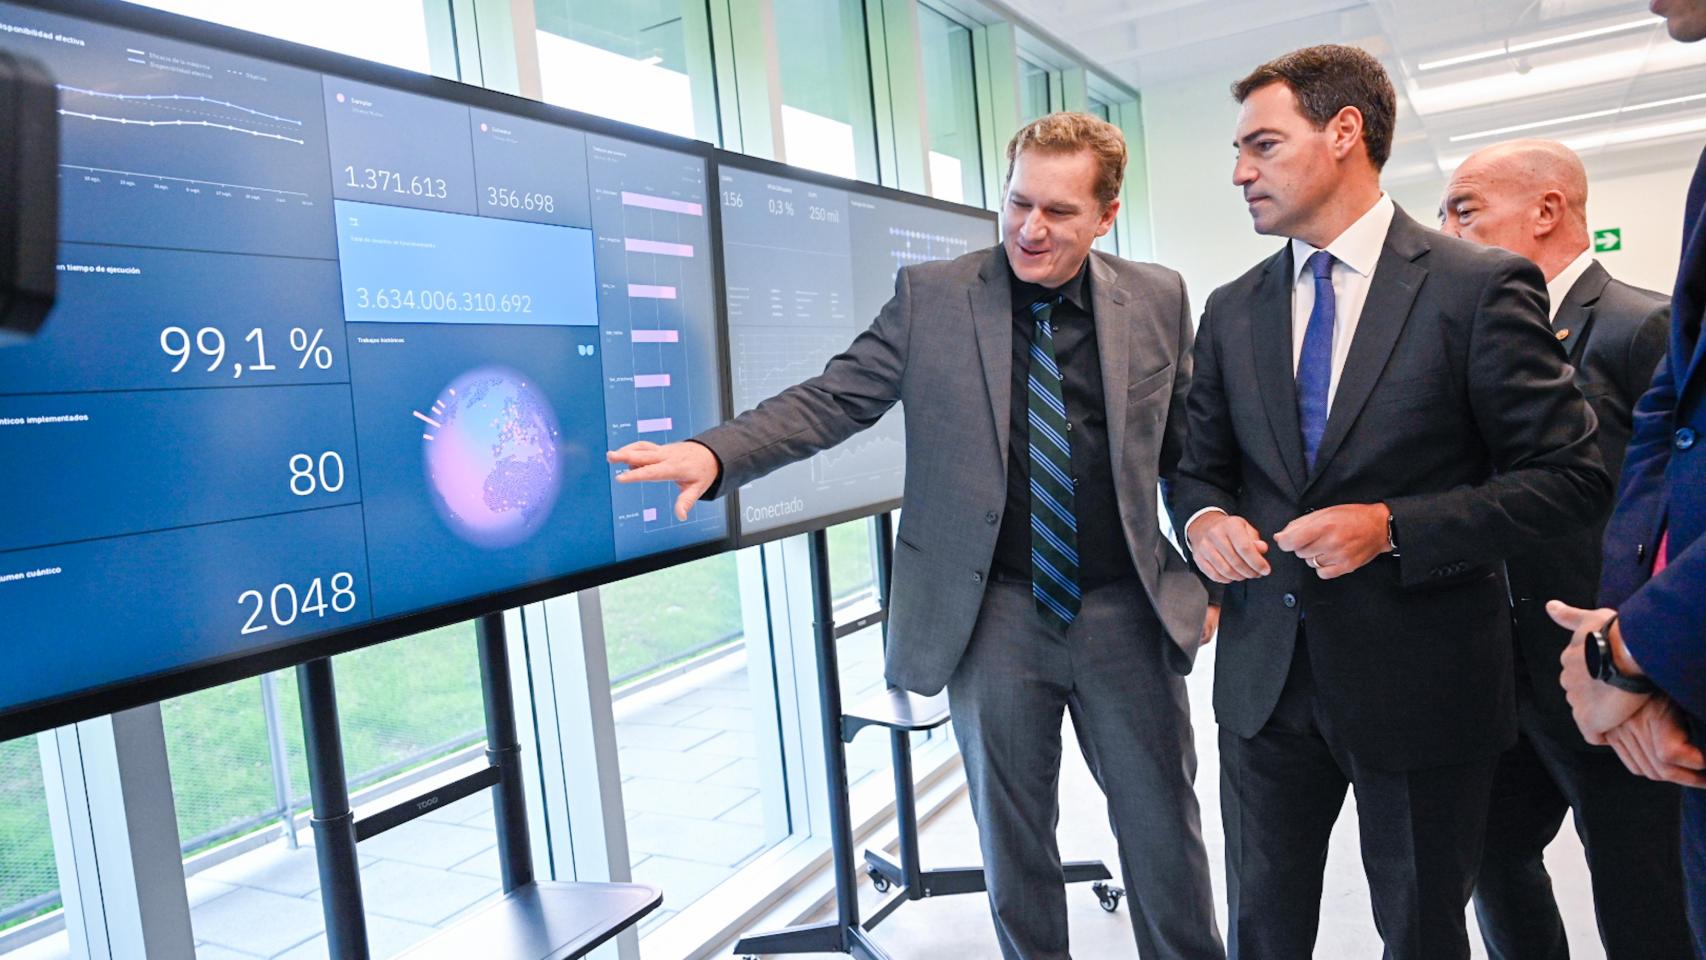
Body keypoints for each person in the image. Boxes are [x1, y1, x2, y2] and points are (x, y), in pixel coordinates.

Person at [607, 113, 1224, 960]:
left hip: (1126, 610)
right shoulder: (933, 297)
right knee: (1015, 849)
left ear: (1106, 216)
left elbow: (1191, 453)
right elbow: (832, 399)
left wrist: (1206, 569)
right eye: (1018, 203)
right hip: (996, 615)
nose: (1030, 229)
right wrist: (716, 454)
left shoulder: (1156, 298)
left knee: (1164, 839)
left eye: (1059, 212)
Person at [1171, 45, 1609, 959]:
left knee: (1421, 931)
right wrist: (1204, 521)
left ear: (1344, 132)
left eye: (1261, 145)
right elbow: (1196, 467)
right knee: (1261, 932)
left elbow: (1570, 477)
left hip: (1424, 681)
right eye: (1238, 151)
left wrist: (1393, 528)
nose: (1240, 172)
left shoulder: (1477, 287)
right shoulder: (1232, 307)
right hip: (1264, 686)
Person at [1438, 138, 1689, 959]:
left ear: (1546, 210)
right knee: (1493, 863)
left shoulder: (1640, 326)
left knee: (1640, 888)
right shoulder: (1469, 344)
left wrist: (1649, 667)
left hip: (1609, 670)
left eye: (1464, 210)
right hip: (1495, 673)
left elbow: (1678, 513)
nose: (1447, 232)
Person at [1549, 1, 1706, 953]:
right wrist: (1621, 636)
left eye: (1464, 208)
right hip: (1622, 654)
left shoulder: (1632, 319)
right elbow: (1668, 431)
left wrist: (1630, 647)